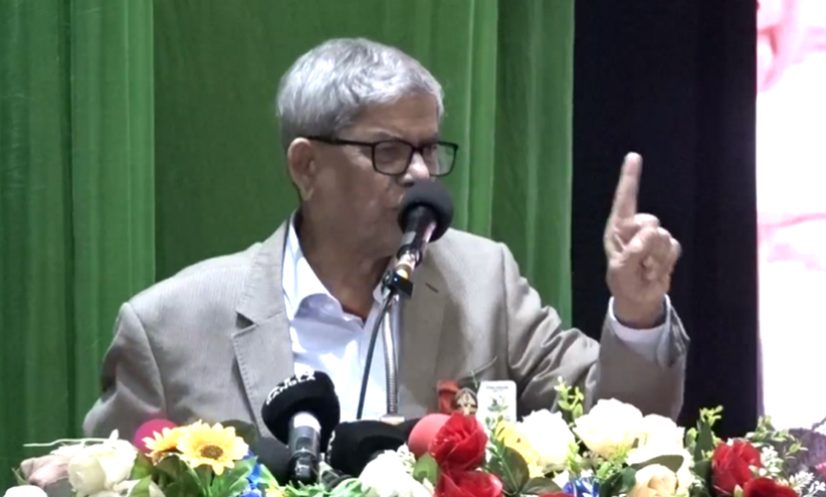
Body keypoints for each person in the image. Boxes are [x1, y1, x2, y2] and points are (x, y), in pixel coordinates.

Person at [82, 37, 687, 439]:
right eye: (389, 151)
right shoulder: (170, 328)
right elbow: (102, 480)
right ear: (307, 167)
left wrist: (637, 315)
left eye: (429, 149)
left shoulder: (483, 282)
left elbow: (617, 428)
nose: (421, 173)